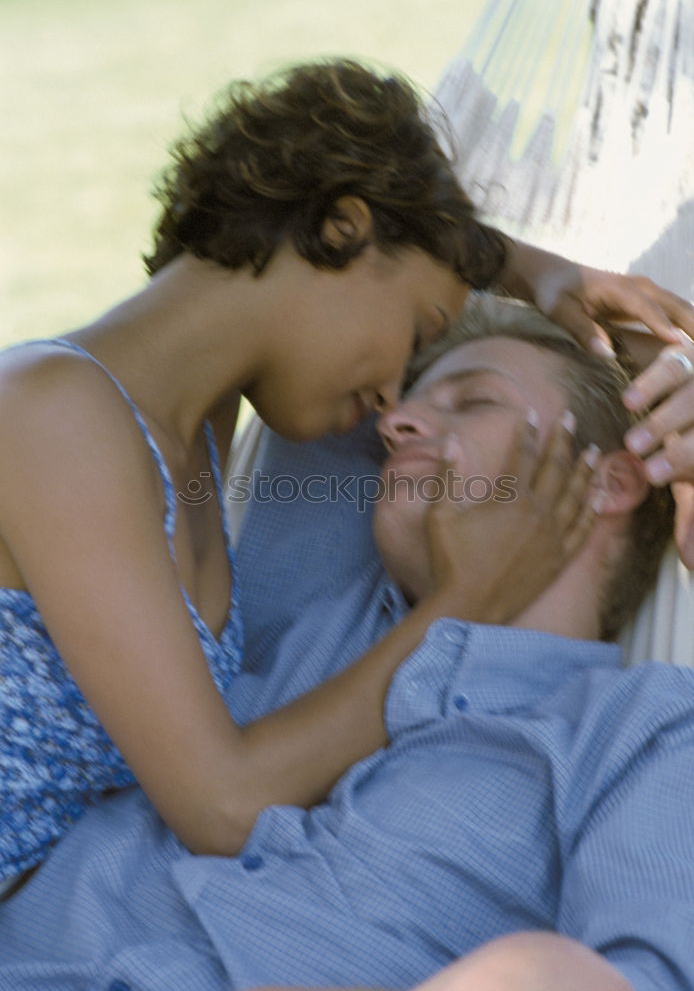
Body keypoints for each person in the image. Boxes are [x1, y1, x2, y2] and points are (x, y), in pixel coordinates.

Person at [3, 56, 692, 887]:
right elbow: (223, 806)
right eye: (421, 332)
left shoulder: (195, 420)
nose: (397, 398)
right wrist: (464, 603)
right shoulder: (51, 414)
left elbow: (364, 237)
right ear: (341, 230)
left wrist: (548, 276)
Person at [1, 303, 691, 991]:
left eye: (475, 399)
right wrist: (620, 328)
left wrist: (655, 405)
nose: (395, 423)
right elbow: (312, 294)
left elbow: (646, 973)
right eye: (397, 412)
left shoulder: (637, 731)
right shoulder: (324, 590)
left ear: (612, 478)